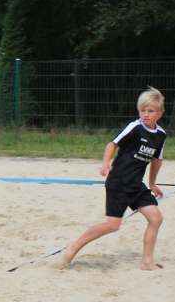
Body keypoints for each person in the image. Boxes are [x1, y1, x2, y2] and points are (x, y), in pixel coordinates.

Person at [61, 87, 167, 271]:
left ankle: (147, 262)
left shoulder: (161, 135)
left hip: (136, 185)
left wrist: (152, 183)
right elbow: (112, 143)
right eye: (143, 110)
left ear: (160, 113)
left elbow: (157, 160)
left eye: (150, 111)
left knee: (156, 218)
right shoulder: (135, 128)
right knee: (112, 225)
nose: (146, 114)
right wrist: (106, 163)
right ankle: (74, 246)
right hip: (119, 182)